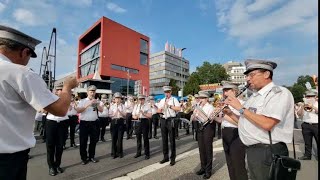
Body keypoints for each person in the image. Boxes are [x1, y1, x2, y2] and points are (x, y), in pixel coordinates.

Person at [0, 25, 78, 180]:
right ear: (24, 52)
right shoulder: (21, 73)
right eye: (29, 57)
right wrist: (67, 87)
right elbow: (60, 109)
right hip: (7, 160)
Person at [223, 59, 295, 180]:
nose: (247, 79)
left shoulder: (279, 93)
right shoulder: (253, 98)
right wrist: (230, 114)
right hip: (253, 152)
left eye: (251, 75)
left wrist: (240, 108)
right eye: (247, 76)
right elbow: (243, 122)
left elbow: (268, 124)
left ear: (266, 74)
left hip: (267, 151)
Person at [218, 81, 248, 180]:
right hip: (225, 132)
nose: (224, 93)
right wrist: (214, 117)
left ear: (234, 91)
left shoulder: (242, 104)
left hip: (236, 134)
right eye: (223, 90)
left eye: (227, 90)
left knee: (238, 165)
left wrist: (226, 115)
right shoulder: (226, 104)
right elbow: (222, 121)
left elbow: (241, 124)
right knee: (230, 163)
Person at [75, 85, 103, 165]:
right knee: (83, 142)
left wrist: (96, 104)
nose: (92, 93)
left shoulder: (97, 101)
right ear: (87, 92)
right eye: (91, 91)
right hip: (84, 123)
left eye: (94, 91)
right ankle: (84, 158)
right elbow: (79, 111)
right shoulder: (82, 101)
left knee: (93, 141)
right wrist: (88, 104)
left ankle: (91, 156)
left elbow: (101, 110)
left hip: (94, 123)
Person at [45, 85, 69, 176]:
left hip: (63, 123)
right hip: (51, 122)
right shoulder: (49, 99)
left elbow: (69, 110)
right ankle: (51, 167)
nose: (59, 91)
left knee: (60, 146)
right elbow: (43, 110)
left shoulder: (66, 100)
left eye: (61, 90)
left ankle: (57, 165)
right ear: (55, 91)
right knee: (50, 145)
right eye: (58, 90)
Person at [191, 91, 215, 179]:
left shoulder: (210, 107)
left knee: (208, 149)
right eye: (200, 98)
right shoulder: (199, 107)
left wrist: (199, 112)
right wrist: (193, 115)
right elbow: (194, 118)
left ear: (207, 99)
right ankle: (203, 167)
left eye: (203, 98)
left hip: (208, 128)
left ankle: (208, 171)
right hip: (200, 128)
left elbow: (208, 120)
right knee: (201, 149)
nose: (200, 100)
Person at [157, 86, 181, 166]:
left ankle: (172, 158)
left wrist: (170, 106)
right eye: (165, 92)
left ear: (170, 92)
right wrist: (160, 110)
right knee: (164, 140)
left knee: (172, 140)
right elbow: (158, 110)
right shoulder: (162, 100)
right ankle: (165, 157)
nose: (167, 94)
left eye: (168, 92)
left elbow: (178, 109)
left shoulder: (174, 99)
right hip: (163, 119)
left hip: (171, 120)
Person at [297, 90, 318, 160]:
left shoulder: (317, 103)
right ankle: (307, 155)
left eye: (311, 96)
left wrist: (313, 107)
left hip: (316, 125)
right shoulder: (304, 104)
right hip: (306, 125)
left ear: (315, 97)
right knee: (307, 142)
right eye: (307, 96)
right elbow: (299, 115)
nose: (309, 98)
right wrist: (302, 106)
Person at [132, 94, 152, 159]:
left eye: (142, 99)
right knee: (138, 138)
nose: (141, 101)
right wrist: (135, 116)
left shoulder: (147, 106)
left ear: (144, 99)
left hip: (144, 121)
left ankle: (147, 153)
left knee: (145, 138)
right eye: (140, 99)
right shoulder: (136, 106)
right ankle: (138, 152)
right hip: (138, 122)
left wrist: (143, 113)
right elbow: (133, 115)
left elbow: (150, 116)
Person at [109, 92, 126, 158]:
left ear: (121, 99)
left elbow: (125, 115)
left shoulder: (123, 106)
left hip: (120, 121)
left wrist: (120, 112)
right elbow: (109, 115)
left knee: (120, 138)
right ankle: (113, 153)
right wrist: (114, 113)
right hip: (114, 121)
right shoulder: (112, 106)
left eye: (119, 98)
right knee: (113, 138)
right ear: (114, 99)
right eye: (116, 98)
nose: (118, 100)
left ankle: (120, 152)